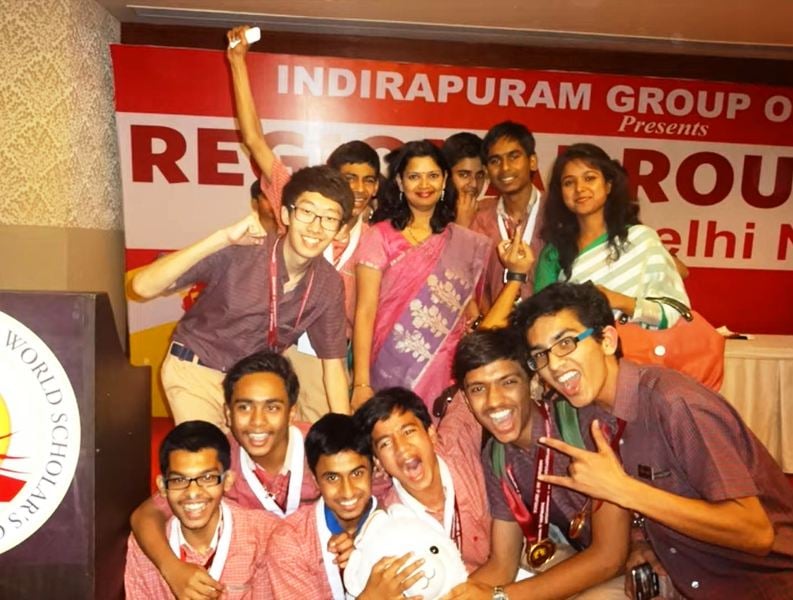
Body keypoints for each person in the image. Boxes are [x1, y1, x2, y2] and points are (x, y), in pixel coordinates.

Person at [514, 281, 793, 598]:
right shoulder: (592, 412)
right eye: (540, 355)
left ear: (607, 340)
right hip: (684, 574)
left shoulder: (675, 404)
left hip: (759, 585)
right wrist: (643, 541)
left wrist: (625, 490)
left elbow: (756, 533)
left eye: (566, 343)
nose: (553, 365)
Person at [227, 25, 381, 421]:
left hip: (330, 361)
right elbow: (255, 140)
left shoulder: (376, 237)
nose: (358, 189)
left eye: (367, 180)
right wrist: (238, 62)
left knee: (323, 443)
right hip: (276, 348)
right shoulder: (298, 199)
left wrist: (359, 380)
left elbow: (367, 314)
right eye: (348, 178)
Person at [131, 165, 352, 428]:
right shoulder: (244, 248)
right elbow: (142, 287)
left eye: (329, 218)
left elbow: (334, 365)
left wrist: (345, 433)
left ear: (341, 230)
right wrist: (222, 238)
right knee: (209, 452)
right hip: (197, 371)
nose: (316, 227)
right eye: (307, 212)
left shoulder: (328, 284)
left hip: (251, 387)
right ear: (286, 214)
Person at [446, 328, 630, 599]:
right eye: (478, 389)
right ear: (466, 400)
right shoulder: (497, 457)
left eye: (508, 382)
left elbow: (610, 557)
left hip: (644, 562)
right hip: (585, 558)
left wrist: (501, 597)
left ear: (533, 382)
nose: (494, 401)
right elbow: (502, 564)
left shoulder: (583, 424)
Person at [129, 351, 320, 600]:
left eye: (272, 407)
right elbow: (145, 515)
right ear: (228, 414)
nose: (257, 421)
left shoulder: (321, 449)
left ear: (292, 413)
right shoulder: (218, 460)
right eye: (244, 407)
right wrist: (172, 569)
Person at [352, 140, 492, 413]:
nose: (424, 185)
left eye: (432, 175)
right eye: (414, 176)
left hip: (447, 366)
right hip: (391, 363)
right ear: (400, 182)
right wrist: (360, 383)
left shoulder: (459, 240)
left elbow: (467, 310)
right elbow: (365, 312)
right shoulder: (379, 236)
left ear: (444, 180)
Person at [264, 413, 424, 599]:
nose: (347, 492)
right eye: (332, 478)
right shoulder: (291, 541)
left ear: (373, 468)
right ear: (315, 479)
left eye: (357, 474)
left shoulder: (402, 516)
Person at [533, 142, 689, 328]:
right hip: (579, 346)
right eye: (569, 182)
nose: (579, 188)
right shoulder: (553, 253)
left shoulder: (641, 239)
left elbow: (672, 311)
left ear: (608, 185)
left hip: (642, 344)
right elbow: (542, 321)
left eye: (589, 178)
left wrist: (620, 301)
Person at [125, 421, 273, 599]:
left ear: (227, 481)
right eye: (179, 480)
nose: (193, 492)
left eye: (207, 478)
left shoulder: (264, 536)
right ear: (162, 487)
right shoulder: (144, 547)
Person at [354, 387, 491, 573]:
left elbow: (477, 387)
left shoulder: (458, 444)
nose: (402, 448)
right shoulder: (389, 523)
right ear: (378, 462)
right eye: (385, 443)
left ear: (431, 434)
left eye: (408, 431)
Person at [470, 121, 545, 307]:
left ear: (532, 161)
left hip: (550, 324)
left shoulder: (557, 214)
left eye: (514, 157)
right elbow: (474, 288)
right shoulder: (479, 221)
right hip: (496, 323)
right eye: (495, 161)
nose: (505, 168)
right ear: (487, 171)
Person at [442, 132, 487, 228]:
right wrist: (462, 224)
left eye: (479, 175)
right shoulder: (428, 215)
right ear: (445, 175)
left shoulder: (489, 215)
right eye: (464, 175)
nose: (474, 184)